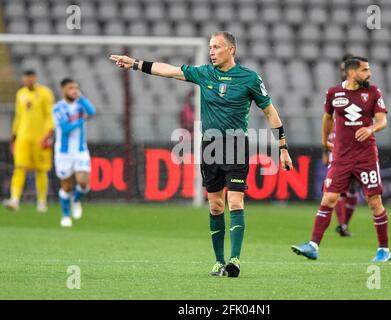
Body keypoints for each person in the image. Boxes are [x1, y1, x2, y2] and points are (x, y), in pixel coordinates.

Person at [110, 31, 293, 277]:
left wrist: (282, 148)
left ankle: (235, 260)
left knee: (235, 201)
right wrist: (135, 64)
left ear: (231, 50)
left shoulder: (249, 78)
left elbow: (270, 112)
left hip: (236, 145)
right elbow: (170, 70)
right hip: (210, 146)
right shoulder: (204, 73)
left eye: (217, 47)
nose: (211, 51)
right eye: (210, 47)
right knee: (216, 206)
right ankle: (219, 263)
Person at [292, 56, 391, 262]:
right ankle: (313, 246)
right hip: (341, 157)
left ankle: (384, 250)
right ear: (352, 72)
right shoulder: (333, 93)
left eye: (368, 69)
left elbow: (382, 121)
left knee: (374, 202)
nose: (369, 73)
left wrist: (370, 128)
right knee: (328, 198)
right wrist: (324, 143)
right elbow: (327, 118)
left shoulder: (373, 93)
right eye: (365, 70)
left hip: (366, 157)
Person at [3, 70, 54, 213]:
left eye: (31, 78)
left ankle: (42, 202)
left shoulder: (45, 93)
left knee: (41, 169)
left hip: (40, 138)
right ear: (23, 79)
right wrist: (14, 135)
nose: (28, 80)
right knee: (19, 168)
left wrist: (49, 133)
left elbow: (50, 115)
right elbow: (19, 116)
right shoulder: (20, 94)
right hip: (23, 137)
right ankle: (14, 200)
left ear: (35, 78)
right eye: (26, 78)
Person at [321, 53, 359, 237]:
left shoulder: (365, 91)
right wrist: (325, 147)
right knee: (338, 185)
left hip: (358, 144)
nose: (344, 72)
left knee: (352, 186)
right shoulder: (336, 92)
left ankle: (344, 223)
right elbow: (327, 119)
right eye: (342, 69)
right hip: (338, 142)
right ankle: (342, 224)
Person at [53, 78, 96, 227]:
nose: (74, 90)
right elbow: (65, 129)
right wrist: (82, 120)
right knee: (66, 186)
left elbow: (92, 112)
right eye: (71, 88)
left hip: (80, 150)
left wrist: (82, 97)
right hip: (64, 152)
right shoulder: (58, 108)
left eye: (76, 88)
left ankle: (76, 200)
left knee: (83, 183)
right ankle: (65, 216)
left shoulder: (80, 105)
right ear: (63, 90)